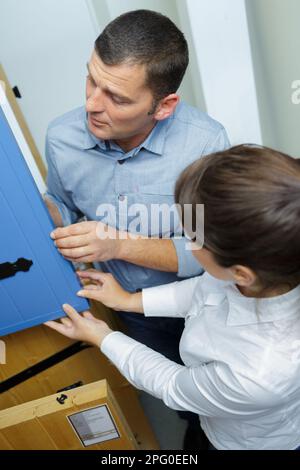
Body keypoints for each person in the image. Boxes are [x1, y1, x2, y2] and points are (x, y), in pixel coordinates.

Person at [44, 10, 229, 446]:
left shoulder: (205, 145)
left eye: (117, 98)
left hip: (202, 307)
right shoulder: (61, 136)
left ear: (163, 106)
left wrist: (119, 244)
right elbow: (63, 206)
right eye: (92, 81)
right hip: (130, 309)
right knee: (183, 404)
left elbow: (209, 250)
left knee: (219, 401)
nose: (92, 103)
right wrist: (52, 220)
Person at [46, 145, 300, 450]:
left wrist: (103, 337)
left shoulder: (259, 373)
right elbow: (201, 290)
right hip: (216, 417)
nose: (185, 240)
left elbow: (170, 382)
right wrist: (127, 300)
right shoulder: (261, 274)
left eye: (192, 238)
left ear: (241, 273)